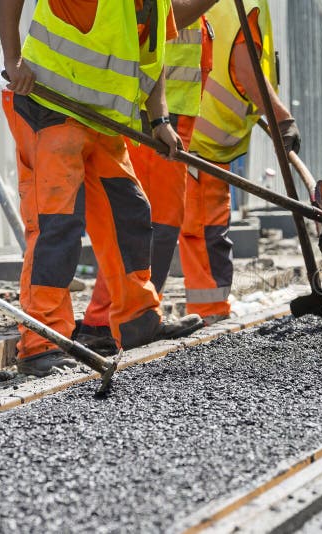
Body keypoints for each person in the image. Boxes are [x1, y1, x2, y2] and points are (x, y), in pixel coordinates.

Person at [0, 0, 196, 375]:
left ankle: (138, 321)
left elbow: (153, 57)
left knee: (130, 215)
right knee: (57, 225)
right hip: (49, 107)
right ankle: (42, 343)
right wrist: (13, 58)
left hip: (102, 123)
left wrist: (160, 120)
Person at [75, 3, 220, 354]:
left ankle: (128, 317)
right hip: (147, 107)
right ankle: (109, 320)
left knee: (156, 220)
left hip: (164, 109)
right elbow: (167, 21)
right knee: (147, 220)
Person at [180, 0, 300, 324]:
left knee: (202, 230)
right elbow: (246, 70)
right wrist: (281, 118)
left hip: (202, 131)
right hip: (201, 134)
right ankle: (209, 313)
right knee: (204, 232)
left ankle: (209, 311)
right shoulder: (242, 3)